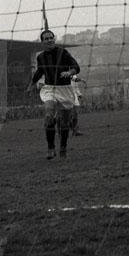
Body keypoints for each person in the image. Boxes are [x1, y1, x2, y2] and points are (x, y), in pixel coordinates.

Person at [26, 29, 80, 159]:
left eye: (51, 37)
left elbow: (76, 67)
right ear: (42, 42)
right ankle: (50, 148)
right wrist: (31, 85)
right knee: (49, 115)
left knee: (64, 123)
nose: (49, 40)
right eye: (46, 38)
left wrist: (69, 72)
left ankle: (63, 147)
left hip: (65, 89)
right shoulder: (40, 57)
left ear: (54, 39)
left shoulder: (63, 52)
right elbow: (40, 72)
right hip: (49, 89)